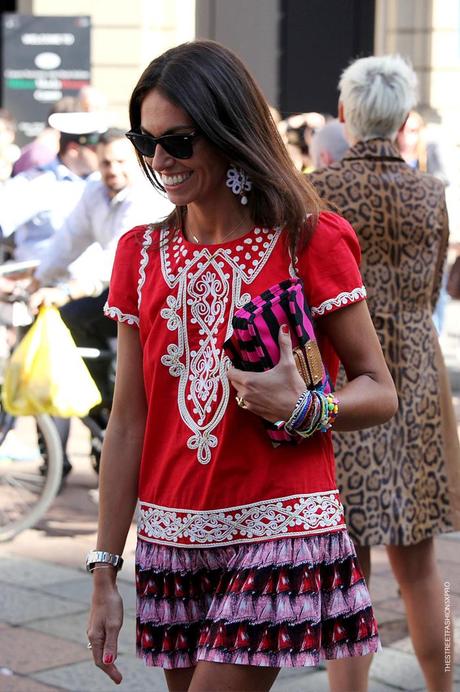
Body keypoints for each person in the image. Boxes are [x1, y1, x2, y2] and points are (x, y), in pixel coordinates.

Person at [86, 40, 397, 692]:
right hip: (172, 535)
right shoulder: (138, 254)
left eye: (180, 141)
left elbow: (379, 391)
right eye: (146, 141)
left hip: (279, 528)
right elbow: (127, 423)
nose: (159, 160)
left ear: (229, 134)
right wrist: (104, 571)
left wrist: (306, 408)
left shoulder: (308, 240)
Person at [307, 55, 460, 692]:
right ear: (403, 120)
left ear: (345, 115)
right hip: (419, 382)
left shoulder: (320, 193)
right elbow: (430, 293)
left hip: (348, 381)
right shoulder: (432, 193)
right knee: (422, 569)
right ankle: (445, 684)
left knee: (349, 570)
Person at [26, 128, 172, 477]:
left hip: (153, 295)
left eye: (121, 161)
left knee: (112, 353)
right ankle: (101, 414)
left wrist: (67, 289)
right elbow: (68, 241)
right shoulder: (95, 190)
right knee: (68, 322)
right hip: (118, 292)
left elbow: (115, 257)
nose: (113, 170)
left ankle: (115, 417)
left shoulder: (145, 197)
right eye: (106, 162)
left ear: (136, 163)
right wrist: (38, 279)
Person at [0, 112, 106, 262]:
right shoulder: (38, 182)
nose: (101, 154)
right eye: (94, 149)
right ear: (73, 149)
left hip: (92, 282)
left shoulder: (100, 181)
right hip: (42, 280)